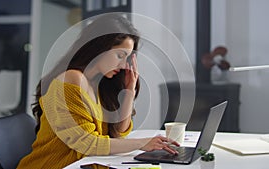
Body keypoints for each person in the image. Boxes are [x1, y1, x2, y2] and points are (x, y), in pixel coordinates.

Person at [17, 14, 179, 169]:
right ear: (99, 48)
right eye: (120, 55)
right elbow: (87, 144)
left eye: (127, 58)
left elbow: (118, 133)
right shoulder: (71, 79)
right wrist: (143, 143)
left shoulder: (99, 84)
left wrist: (129, 91)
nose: (124, 65)